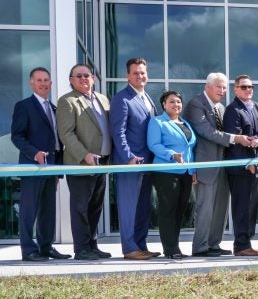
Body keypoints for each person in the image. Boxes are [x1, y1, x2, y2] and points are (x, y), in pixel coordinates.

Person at [185, 73, 254, 257]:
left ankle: (214, 244)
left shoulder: (221, 108)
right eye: (219, 87)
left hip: (223, 165)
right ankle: (200, 247)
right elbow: (206, 131)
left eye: (224, 88)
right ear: (208, 86)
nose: (223, 91)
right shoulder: (196, 104)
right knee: (205, 207)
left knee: (220, 208)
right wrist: (235, 138)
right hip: (205, 165)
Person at [11, 67, 71, 262]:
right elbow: (17, 136)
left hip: (52, 166)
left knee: (48, 210)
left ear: (51, 83)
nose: (43, 83)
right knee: (29, 211)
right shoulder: (24, 106)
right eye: (39, 80)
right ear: (31, 83)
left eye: (46, 80)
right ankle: (28, 250)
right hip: (32, 167)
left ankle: (46, 247)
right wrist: (34, 153)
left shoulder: (55, 109)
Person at [56, 64, 112, 261]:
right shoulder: (67, 101)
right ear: (71, 80)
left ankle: (92, 245)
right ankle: (81, 249)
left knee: (95, 207)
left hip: (103, 163)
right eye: (78, 76)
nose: (83, 79)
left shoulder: (103, 99)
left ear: (93, 78)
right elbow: (66, 134)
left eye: (86, 75)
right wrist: (84, 155)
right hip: (81, 164)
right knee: (80, 208)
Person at [110, 57, 159, 260]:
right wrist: (128, 157)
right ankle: (129, 248)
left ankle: (141, 245)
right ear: (127, 76)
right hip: (130, 163)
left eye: (143, 72)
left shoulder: (147, 98)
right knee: (129, 207)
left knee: (142, 208)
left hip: (148, 163)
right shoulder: (122, 98)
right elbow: (118, 132)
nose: (140, 76)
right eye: (136, 73)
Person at [222, 75, 258, 257]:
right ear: (235, 89)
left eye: (251, 86)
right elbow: (234, 139)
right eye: (244, 87)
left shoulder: (256, 106)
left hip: (255, 163)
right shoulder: (232, 110)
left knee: (251, 206)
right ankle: (241, 246)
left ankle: (246, 242)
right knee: (241, 207)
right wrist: (247, 164)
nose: (248, 89)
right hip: (241, 167)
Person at [147, 90, 197, 259]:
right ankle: (170, 249)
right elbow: (153, 144)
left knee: (180, 211)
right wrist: (171, 155)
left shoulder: (185, 123)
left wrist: (193, 170)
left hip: (186, 172)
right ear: (164, 104)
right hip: (166, 172)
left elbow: (190, 148)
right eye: (172, 102)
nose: (176, 105)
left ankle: (175, 245)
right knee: (168, 211)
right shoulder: (157, 122)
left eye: (178, 102)